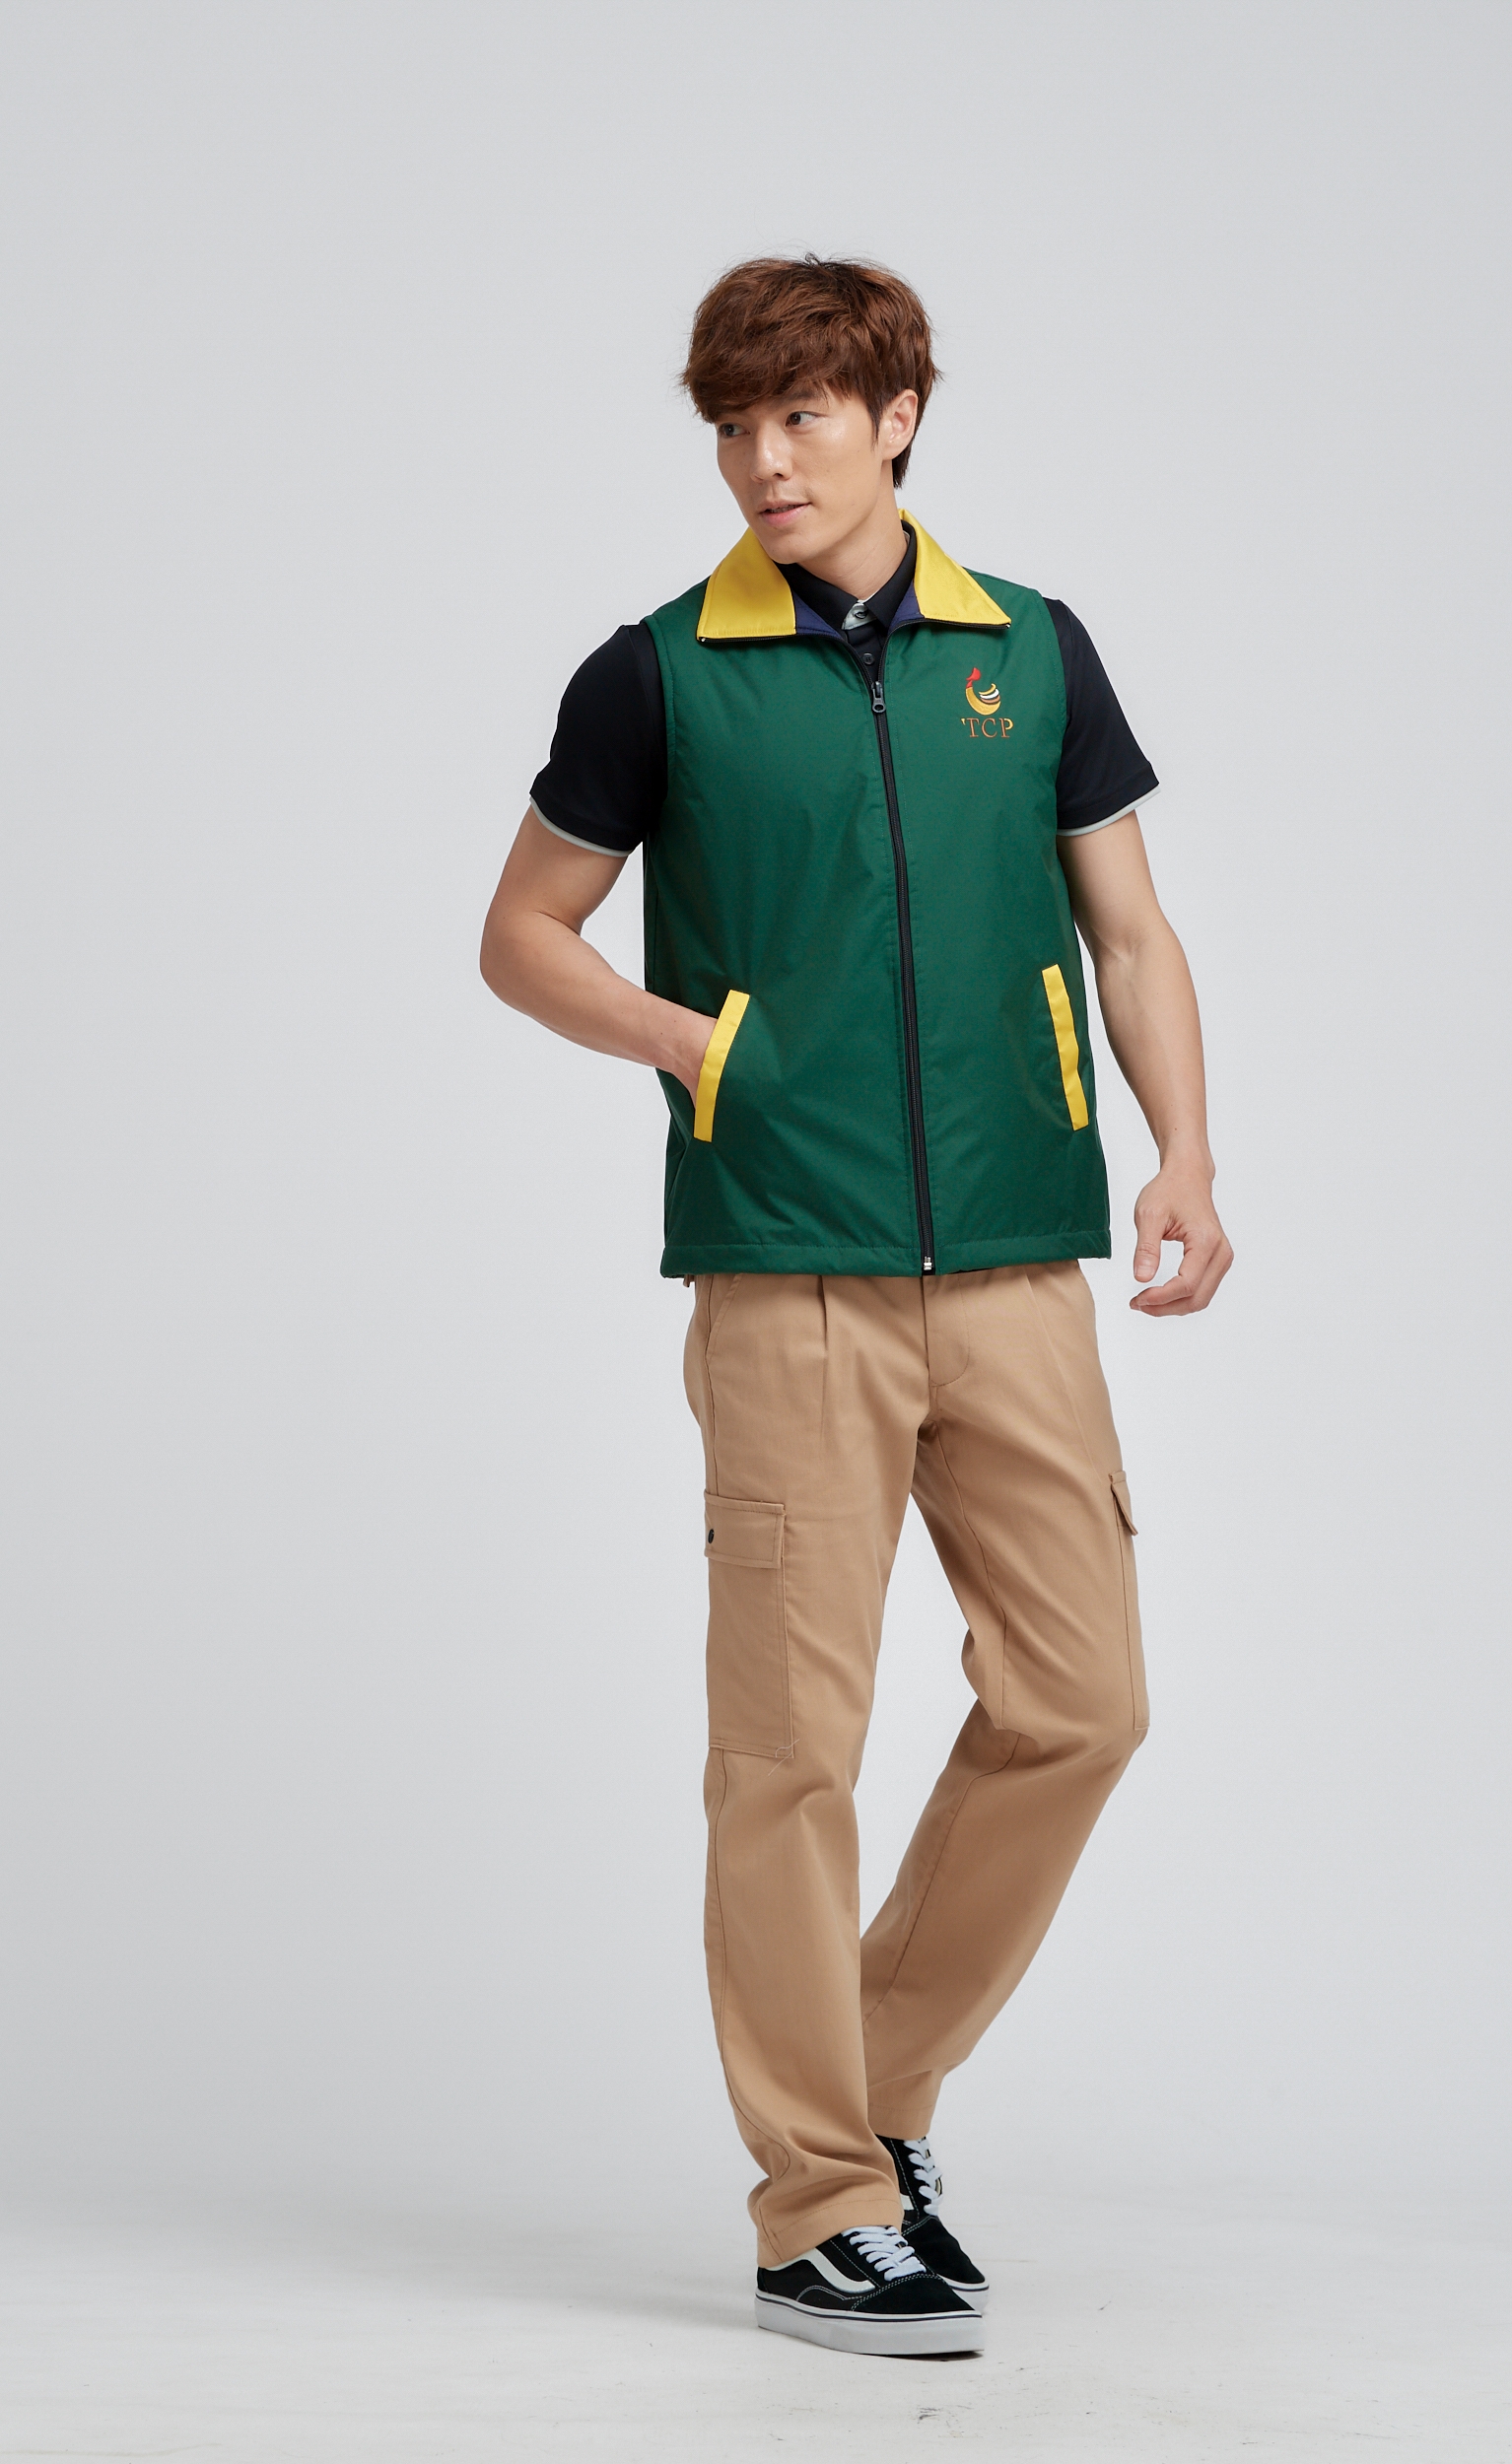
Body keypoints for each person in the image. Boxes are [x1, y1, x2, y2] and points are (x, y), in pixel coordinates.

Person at [480, 255, 1232, 2360]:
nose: (762, 458)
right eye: (734, 425)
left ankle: (876, 2094)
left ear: (900, 416)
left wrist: (1183, 1152)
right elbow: (521, 931)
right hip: (787, 1274)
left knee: (1086, 1702)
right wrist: (692, 1047)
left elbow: (1131, 931)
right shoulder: (659, 673)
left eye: (802, 415)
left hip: (1016, 1264)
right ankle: (817, 2205)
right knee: (788, 1754)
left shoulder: (1033, 648)